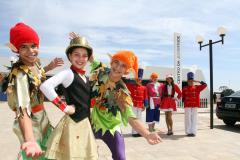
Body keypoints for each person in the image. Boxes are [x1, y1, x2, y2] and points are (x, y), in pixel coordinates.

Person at [89, 50, 161, 160]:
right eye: (116, 62)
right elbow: (91, 58)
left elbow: (130, 116)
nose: (118, 67)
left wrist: (147, 134)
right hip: (92, 123)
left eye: (123, 66)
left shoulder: (122, 91)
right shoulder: (101, 71)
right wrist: (81, 43)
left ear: (126, 71)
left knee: (120, 157)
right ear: (111, 62)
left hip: (111, 127)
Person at [5, 22, 63, 159]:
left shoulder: (34, 64)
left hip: (42, 118)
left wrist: (50, 67)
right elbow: (22, 109)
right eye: (24, 47)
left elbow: (38, 75)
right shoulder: (20, 75)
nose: (31, 51)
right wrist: (30, 140)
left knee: (49, 153)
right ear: (16, 50)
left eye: (33, 46)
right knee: (35, 155)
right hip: (29, 123)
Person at [40, 33, 98, 160]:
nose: (80, 59)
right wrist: (64, 107)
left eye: (84, 56)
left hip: (85, 123)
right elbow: (45, 86)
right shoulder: (68, 73)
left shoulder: (86, 77)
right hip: (74, 124)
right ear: (70, 56)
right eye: (76, 54)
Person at [182, 72, 207, 137]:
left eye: (192, 80)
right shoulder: (184, 88)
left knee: (194, 118)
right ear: (187, 81)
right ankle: (188, 132)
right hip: (187, 105)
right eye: (189, 80)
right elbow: (182, 96)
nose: (190, 82)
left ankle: (193, 132)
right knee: (188, 118)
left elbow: (205, 85)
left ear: (193, 81)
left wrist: (197, 81)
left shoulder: (197, 87)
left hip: (195, 105)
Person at [126, 67, 148, 137]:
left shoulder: (144, 88)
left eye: (140, 80)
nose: (138, 81)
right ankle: (134, 132)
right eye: (137, 79)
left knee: (139, 119)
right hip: (134, 105)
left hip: (140, 105)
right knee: (134, 118)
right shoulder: (131, 86)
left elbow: (145, 96)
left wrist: (145, 105)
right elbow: (124, 84)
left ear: (141, 80)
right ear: (135, 80)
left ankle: (139, 132)